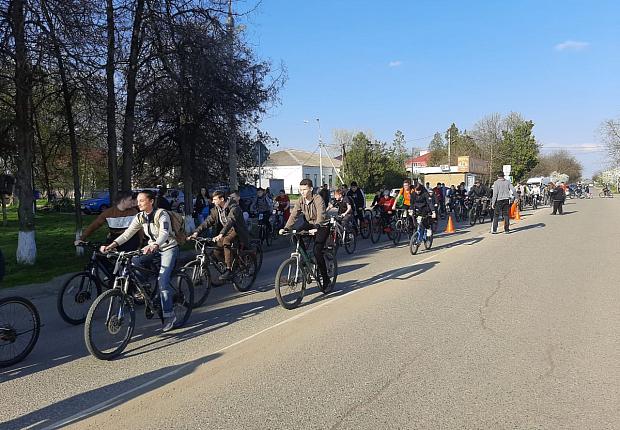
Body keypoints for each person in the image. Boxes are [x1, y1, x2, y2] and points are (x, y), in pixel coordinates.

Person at [102, 190, 179, 331]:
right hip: (151, 248)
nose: (138, 203)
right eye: (137, 201)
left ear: (151, 201)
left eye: (142, 201)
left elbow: (164, 233)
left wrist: (155, 244)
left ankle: (169, 315)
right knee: (134, 261)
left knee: (163, 282)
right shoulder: (139, 217)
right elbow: (127, 234)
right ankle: (145, 289)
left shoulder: (162, 214)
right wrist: (112, 245)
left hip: (168, 248)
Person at [281, 179, 331, 291]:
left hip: (322, 225)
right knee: (295, 235)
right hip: (310, 224)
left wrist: (317, 227)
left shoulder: (318, 199)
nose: (302, 192)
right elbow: (293, 215)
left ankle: (326, 280)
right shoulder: (300, 200)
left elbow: (321, 214)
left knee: (317, 251)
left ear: (311, 189)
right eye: (300, 190)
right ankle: (304, 258)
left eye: (304, 189)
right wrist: (286, 228)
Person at [191, 191, 250, 280]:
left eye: (215, 199)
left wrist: (221, 234)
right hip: (225, 230)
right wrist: (196, 232)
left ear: (222, 199)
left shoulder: (234, 207)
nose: (213, 201)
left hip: (236, 230)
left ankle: (229, 270)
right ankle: (230, 264)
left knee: (226, 240)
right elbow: (208, 221)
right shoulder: (216, 209)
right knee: (216, 250)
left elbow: (230, 221)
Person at [76, 191, 140, 251]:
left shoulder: (134, 212)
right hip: (114, 239)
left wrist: (141, 242)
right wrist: (81, 238)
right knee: (103, 254)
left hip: (130, 239)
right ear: (123, 201)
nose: (132, 202)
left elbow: (139, 228)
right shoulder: (108, 213)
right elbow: (94, 225)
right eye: (130, 200)